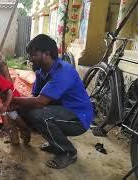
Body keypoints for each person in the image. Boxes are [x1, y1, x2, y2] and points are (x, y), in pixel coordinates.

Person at [12, 34, 93, 169]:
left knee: (38, 115)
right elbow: (34, 95)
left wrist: (13, 99)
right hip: (62, 111)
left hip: (78, 119)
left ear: (47, 54)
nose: (31, 59)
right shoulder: (40, 72)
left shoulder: (63, 71)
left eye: (34, 55)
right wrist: (19, 105)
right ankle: (54, 143)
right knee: (25, 110)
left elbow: (40, 102)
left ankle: (68, 152)